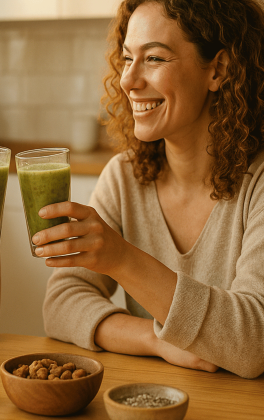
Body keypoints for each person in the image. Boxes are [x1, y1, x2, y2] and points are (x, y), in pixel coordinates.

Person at [40, 0, 264, 379]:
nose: (128, 80)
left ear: (219, 70)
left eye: (155, 59)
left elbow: (252, 344)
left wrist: (122, 260)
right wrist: (156, 340)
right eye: (128, 59)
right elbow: (60, 303)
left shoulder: (257, 185)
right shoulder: (125, 176)